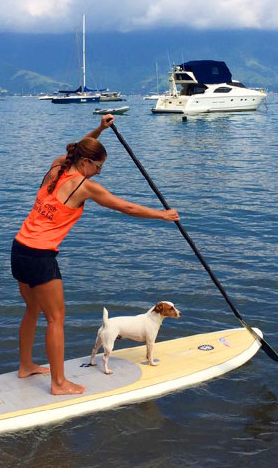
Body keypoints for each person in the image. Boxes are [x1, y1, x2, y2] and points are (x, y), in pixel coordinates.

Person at [11, 114, 179, 395]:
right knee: (56, 319)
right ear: (87, 162)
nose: (100, 172)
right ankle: (59, 383)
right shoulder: (85, 186)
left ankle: (26, 365)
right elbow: (127, 208)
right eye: (98, 166)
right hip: (40, 256)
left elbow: (77, 148)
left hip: (19, 248)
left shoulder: (56, 167)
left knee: (32, 309)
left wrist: (100, 129)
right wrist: (162, 215)